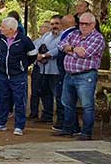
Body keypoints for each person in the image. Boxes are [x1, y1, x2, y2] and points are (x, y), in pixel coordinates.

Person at [57, 12, 105, 141]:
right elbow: (60, 45)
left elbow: (85, 53)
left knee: (87, 105)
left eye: (86, 24)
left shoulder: (98, 38)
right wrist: (74, 49)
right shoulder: (74, 34)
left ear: (93, 24)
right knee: (67, 103)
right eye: (81, 23)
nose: (83, 26)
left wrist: (69, 50)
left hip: (86, 75)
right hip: (69, 74)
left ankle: (86, 133)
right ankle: (68, 129)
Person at [0, 17, 37, 136]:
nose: (0, 28)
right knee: (3, 98)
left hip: (18, 75)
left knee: (19, 100)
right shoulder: (0, 38)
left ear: (11, 29)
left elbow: (33, 54)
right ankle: (1, 123)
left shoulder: (24, 40)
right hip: (3, 74)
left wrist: (23, 66)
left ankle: (19, 126)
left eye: (3, 27)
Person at [30, 15, 62, 125]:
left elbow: (59, 49)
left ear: (61, 24)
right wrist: (38, 55)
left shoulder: (64, 36)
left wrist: (46, 55)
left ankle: (61, 120)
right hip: (43, 69)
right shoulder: (46, 36)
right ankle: (47, 116)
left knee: (58, 95)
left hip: (56, 71)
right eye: (52, 24)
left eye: (57, 23)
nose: (54, 26)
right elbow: (38, 46)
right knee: (45, 93)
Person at [52, 14, 77, 134]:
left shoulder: (70, 34)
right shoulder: (69, 33)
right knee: (66, 98)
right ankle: (68, 124)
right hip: (64, 69)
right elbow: (61, 46)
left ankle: (68, 125)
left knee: (65, 98)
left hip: (66, 69)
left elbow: (61, 48)